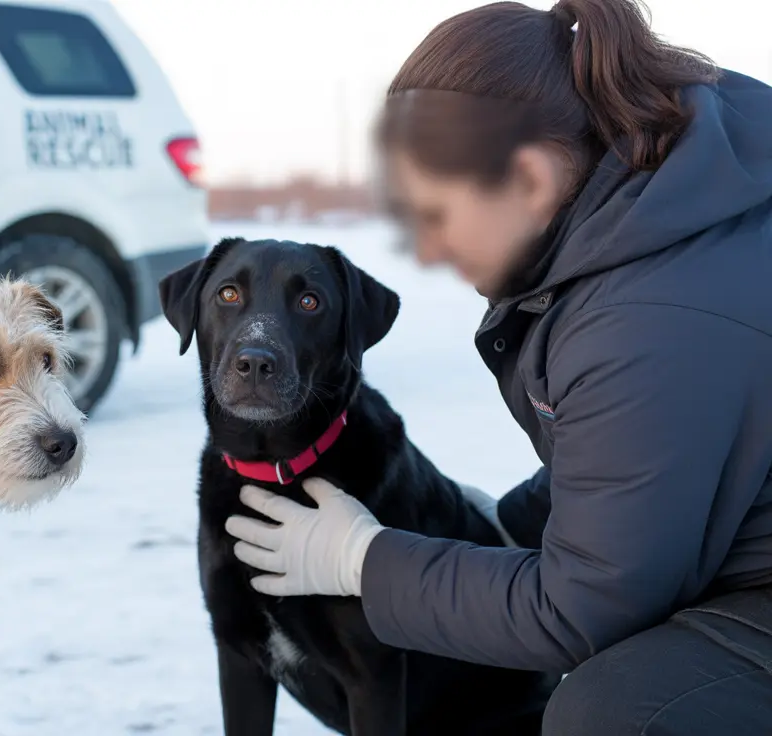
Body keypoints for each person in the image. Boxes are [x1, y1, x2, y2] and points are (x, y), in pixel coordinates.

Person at [224, 0, 772, 733]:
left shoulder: (653, 316)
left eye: (437, 214)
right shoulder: (659, 218)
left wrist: (364, 559)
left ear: (532, 179)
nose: (424, 252)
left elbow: (576, 609)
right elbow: (667, 442)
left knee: (614, 710)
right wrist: (513, 522)